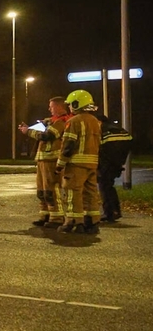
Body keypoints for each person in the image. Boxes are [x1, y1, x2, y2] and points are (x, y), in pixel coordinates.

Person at [19, 96, 70, 228]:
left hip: (52, 160)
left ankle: (57, 217)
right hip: (43, 160)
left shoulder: (62, 121)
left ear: (59, 107)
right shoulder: (52, 121)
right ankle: (45, 214)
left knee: (52, 189)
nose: (49, 109)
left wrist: (28, 131)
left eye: (52, 106)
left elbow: (47, 136)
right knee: (42, 190)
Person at [56, 90, 102, 234]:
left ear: (77, 104)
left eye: (70, 104)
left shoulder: (73, 121)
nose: (69, 107)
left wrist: (60, 164)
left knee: (72, 193)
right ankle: (92, 222)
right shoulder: (95, 121)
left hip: (76, 164)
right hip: (92, 163)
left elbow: (68, 145)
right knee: (91, 193)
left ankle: (74, 222)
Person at [95, 114, 132, 223]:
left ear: (99, 122)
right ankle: (115, 211)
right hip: (117, 162)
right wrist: (120, 161)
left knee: (105, 186)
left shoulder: (103, 131)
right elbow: (130, 141)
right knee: (109, 186)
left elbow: (100, 149)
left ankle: (110, 213)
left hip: (107, 163)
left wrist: (99, 165)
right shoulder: (119, 130)